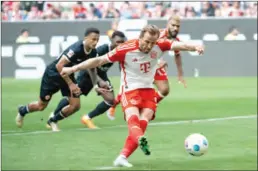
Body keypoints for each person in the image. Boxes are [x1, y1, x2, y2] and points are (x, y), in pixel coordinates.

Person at [61, 24, 204, 167]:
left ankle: (122, 157)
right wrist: (73, 68)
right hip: (130, 90)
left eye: (152, 43)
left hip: (148, 90)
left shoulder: (160, 45)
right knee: (133, 119)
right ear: (140, 37)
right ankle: (140, 139)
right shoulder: (126, 49)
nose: (149, 46)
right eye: (147, 41)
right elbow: (99, 60)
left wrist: (195, 47)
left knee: (143, 122)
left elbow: (178, 45)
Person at [15, 27, 100, 132]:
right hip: (53, 74)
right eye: (93, 39)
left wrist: (96, 85)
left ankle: (53, 120)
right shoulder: (76, 49)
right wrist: (71, 84)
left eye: (97, 40)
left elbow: (92, 69)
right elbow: (59, 66)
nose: (95, 42)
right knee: (41, 106)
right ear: (86, 38)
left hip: (68, 75)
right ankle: (22, 110)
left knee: (75, 106)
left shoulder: (93, 53)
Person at [107, 15, 186, 117]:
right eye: (173, 25)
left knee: (165, 90)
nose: (175, 28)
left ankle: (147, 107)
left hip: (154, 64)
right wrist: (157, 62)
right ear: (168, 24)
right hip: (142, 63)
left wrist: (180, 74)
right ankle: (113, 106)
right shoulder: (158, 35)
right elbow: (144, 49)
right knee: (134, 86)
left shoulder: (176, 40)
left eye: (178, 26)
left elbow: (177, 55)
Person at [50, 31, 127, 129]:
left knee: (110, 100)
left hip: (101, 75)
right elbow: (89, 65)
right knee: (74, 97)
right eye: (118, 42)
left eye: (122, 42)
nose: (120, 45)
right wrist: (98, 82)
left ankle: (87, 118)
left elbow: (122, 65)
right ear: (111, 41)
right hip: (87, 75)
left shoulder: (120, 51)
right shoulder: (102, 49)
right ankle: (54, 116)